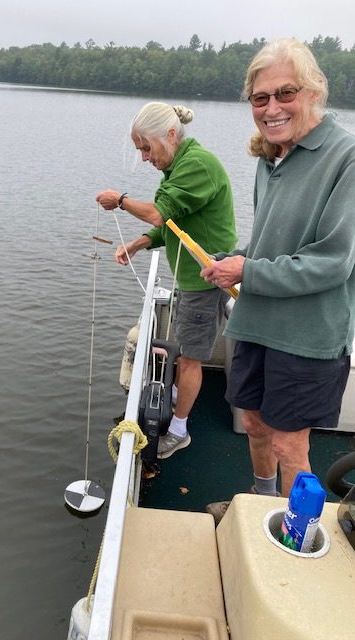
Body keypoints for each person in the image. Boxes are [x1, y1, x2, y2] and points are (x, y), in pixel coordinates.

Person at [201, 37, 355, 522]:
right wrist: (237, 256)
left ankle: (295, 540)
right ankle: (260, 506)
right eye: (260, 98)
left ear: (314, 91)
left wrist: (248, 270)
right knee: (253, 423)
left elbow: (333, 262)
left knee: (291, 443)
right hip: (256, 322)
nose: (272, 108)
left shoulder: (345, 155)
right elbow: (268, 242)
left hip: (308, 334)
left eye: (285, 93)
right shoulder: (271, 156)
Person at [96, 102, 237, 459]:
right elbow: (173, 225)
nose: (145, 157)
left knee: (189, 360)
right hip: (192, 277)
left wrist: (122, 200)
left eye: (147, 147)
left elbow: (160, 213)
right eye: (140, 149)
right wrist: (139, 243)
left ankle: (179, 430)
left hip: (205, 280)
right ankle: (178, 400)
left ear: (171, 135)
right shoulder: (180, 165)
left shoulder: (196, 166)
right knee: (185, 351)